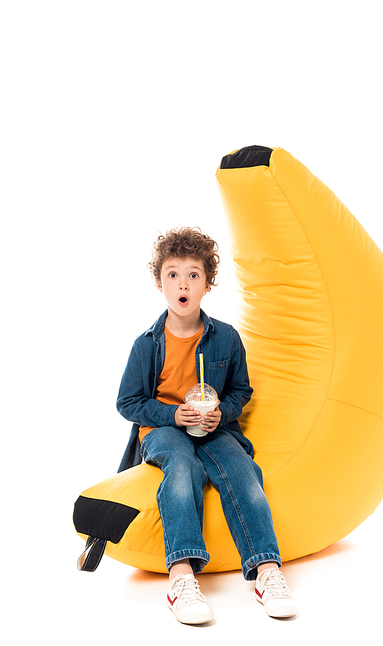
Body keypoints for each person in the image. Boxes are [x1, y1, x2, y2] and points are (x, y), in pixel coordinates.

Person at [116, 227, 297, 624]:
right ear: (160, 283)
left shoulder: (227, 339)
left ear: (208, 284)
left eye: (193, 274)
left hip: (213, 428)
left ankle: (267, 570)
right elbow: (127, 402)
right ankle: (181, 576)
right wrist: (171, 415)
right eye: (173, 274)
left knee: (243, 470)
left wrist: (223, 414)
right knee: (183, 469)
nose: (183, 283)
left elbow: (240, 390)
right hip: (163, 429)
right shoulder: (146, 344)